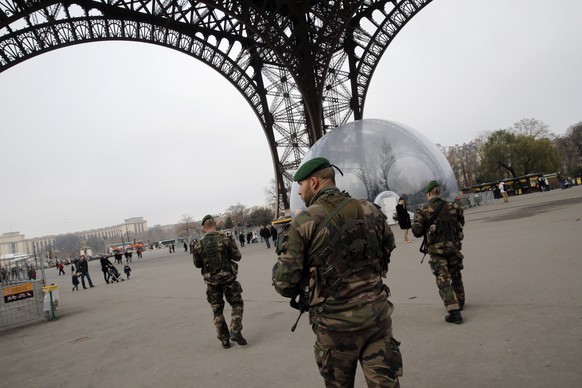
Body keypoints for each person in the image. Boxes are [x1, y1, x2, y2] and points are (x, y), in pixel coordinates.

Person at [272, 157, 402, 387]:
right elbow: (386, 252)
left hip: (335, 328)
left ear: (313, 183)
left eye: (300, 185)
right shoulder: (370, 208)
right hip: (377, 319)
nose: (299, 193)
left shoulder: (304, 222)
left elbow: (285, 285)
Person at [411, 180, 465, 324]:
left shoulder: (423, 210)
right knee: (456, 275)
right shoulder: (453, 205)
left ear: (428, 193)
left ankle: (454, 311)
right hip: (454, 248)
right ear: (439, 192)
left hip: (437, 251)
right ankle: (460, 301)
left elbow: (416, 232)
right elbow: (462, 222)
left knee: (443, 279)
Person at [193, 215, 247, 349]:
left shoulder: (198, 244)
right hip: (228, 279)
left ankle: (224, 340)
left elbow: (197, 264)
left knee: (217, 311)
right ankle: (235, 329)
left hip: (212, 282)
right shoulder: (225, 239)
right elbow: (237, 256)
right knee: (237, 304)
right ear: (215, 225)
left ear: (203, 227)